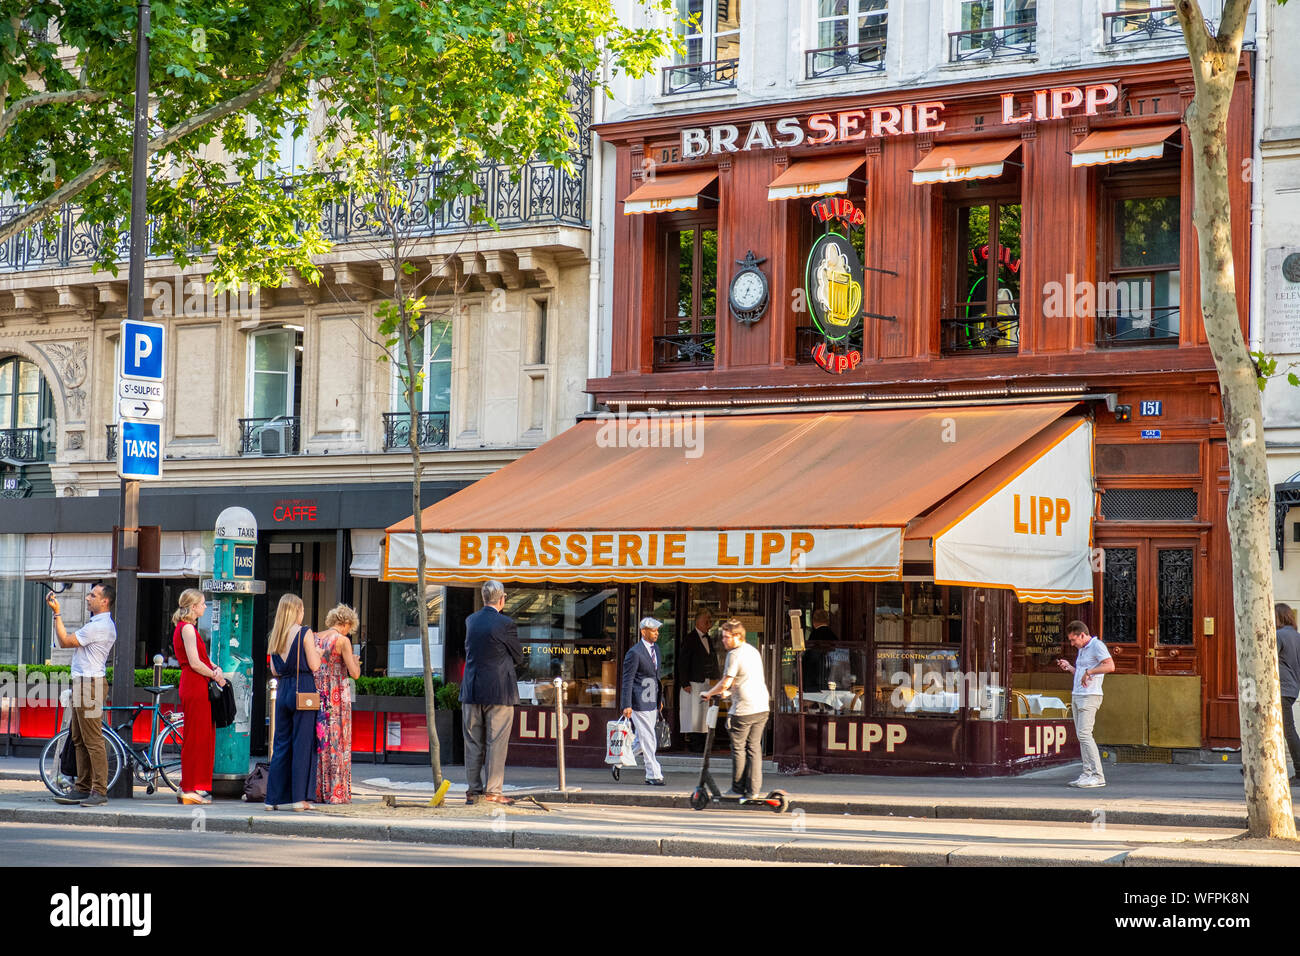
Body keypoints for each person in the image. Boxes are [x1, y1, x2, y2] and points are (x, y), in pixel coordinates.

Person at [46, 584, 116, 807]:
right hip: (84, 683)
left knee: (92, 739)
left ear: (104, 601)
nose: (87, 598)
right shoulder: (97, 624)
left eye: (93, 595)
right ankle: (83, 787)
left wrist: (57, 613)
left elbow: (65, 641)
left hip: (90, 684)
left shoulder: (100, 626)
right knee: (78, 737)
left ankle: (99, 790)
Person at [461, 580, 524, 806]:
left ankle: (473, 790)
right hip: (499, 691)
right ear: (502, 599)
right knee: (496, 743)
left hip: (471, 689)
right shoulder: (505, 624)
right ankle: (493, 791)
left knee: (472, 742)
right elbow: (518, 656)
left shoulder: (471, 620)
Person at [702, 618, 771, 798]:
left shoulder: (734, 654)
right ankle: (753, 791)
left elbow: (726, 682)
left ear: (738, 636)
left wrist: (709, 693)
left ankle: (737, 788)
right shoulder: (753, 651)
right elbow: (744, 679)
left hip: (744, 709)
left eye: (726, 637)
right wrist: (728, 693)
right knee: (754, 748)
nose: (723, 640)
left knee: (739, 748)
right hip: (762, 706)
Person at [265, 594, 321, 811]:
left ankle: (272, 799)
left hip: (283, 689)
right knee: (303, 744)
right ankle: (299, 798)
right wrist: (318, 652)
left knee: (281, 744)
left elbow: (274, 670)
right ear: (297, 610)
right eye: (302, 609)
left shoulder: (275, 636)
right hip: (303, 688)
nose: (304, 613)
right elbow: (315, 665)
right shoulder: (304, 632)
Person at [172, 588, 226, 805]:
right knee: (195, 738)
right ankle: (189, 788)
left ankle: (190, 786)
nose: (205, 606)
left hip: (195, 683)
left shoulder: (186, 628)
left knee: (199, 736)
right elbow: (195, 662)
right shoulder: (187, 629)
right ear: (193, 607)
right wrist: (216, 675)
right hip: (195, 685)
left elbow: (200, 659)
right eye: (203, 603)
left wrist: (215, 667)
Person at [1057, 620, 1114, 788]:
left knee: (1084, 735)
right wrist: (1070, 668)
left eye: (1074, 639)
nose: (1072, 643)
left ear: (1082, 634)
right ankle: (1087, 773)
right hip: (1078, 695)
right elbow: (1082, 674)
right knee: (1082, 736)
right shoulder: (1082, 649)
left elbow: (1110, 666)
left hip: (1090, 696)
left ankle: (1097, 775)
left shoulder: (1097, 645)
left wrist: (1090, 671)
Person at [315, 604, 361, 804]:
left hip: (319, 693)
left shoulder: (316, 637)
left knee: (321, 742)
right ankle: (337, 792)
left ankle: (319, 791)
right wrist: (355, 661)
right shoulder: (342, 640)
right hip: (337, 695)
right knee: (338, 741)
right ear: (346, 624)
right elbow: (354, 674)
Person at [622, 616, 665, 785]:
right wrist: (626, 704)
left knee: (643, 740)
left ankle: (620, 761)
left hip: (652, 700)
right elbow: (628, 680)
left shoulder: (657, 650)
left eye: (657, 630)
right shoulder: (634, 652)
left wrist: (659, 698)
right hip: (638, 701)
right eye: (653, 630)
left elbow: (657, 677)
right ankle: (653, 774)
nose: (656, 633)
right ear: (643, 631)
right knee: (649, 738)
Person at [677, 608, 717, 753]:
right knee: (693, 713)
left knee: (704, 713)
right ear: (698, 621)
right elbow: (682, 662)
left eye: (710, 621)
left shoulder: (709, 639)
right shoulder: (690, 638)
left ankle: (703, 743)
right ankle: (695, 744)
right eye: (706, 620)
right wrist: (685, 682)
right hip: (693, 682)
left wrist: (715, 678)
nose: (709, 623)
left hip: (705, 681)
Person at [1275, 604, 1300, 784]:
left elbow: (1267, 661)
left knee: (1288, 729)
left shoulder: (1278, 636)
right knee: (1275, 728)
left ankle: (1299, 771)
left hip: (1281, 688)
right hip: (1292, 689)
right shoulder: (1296, 636)